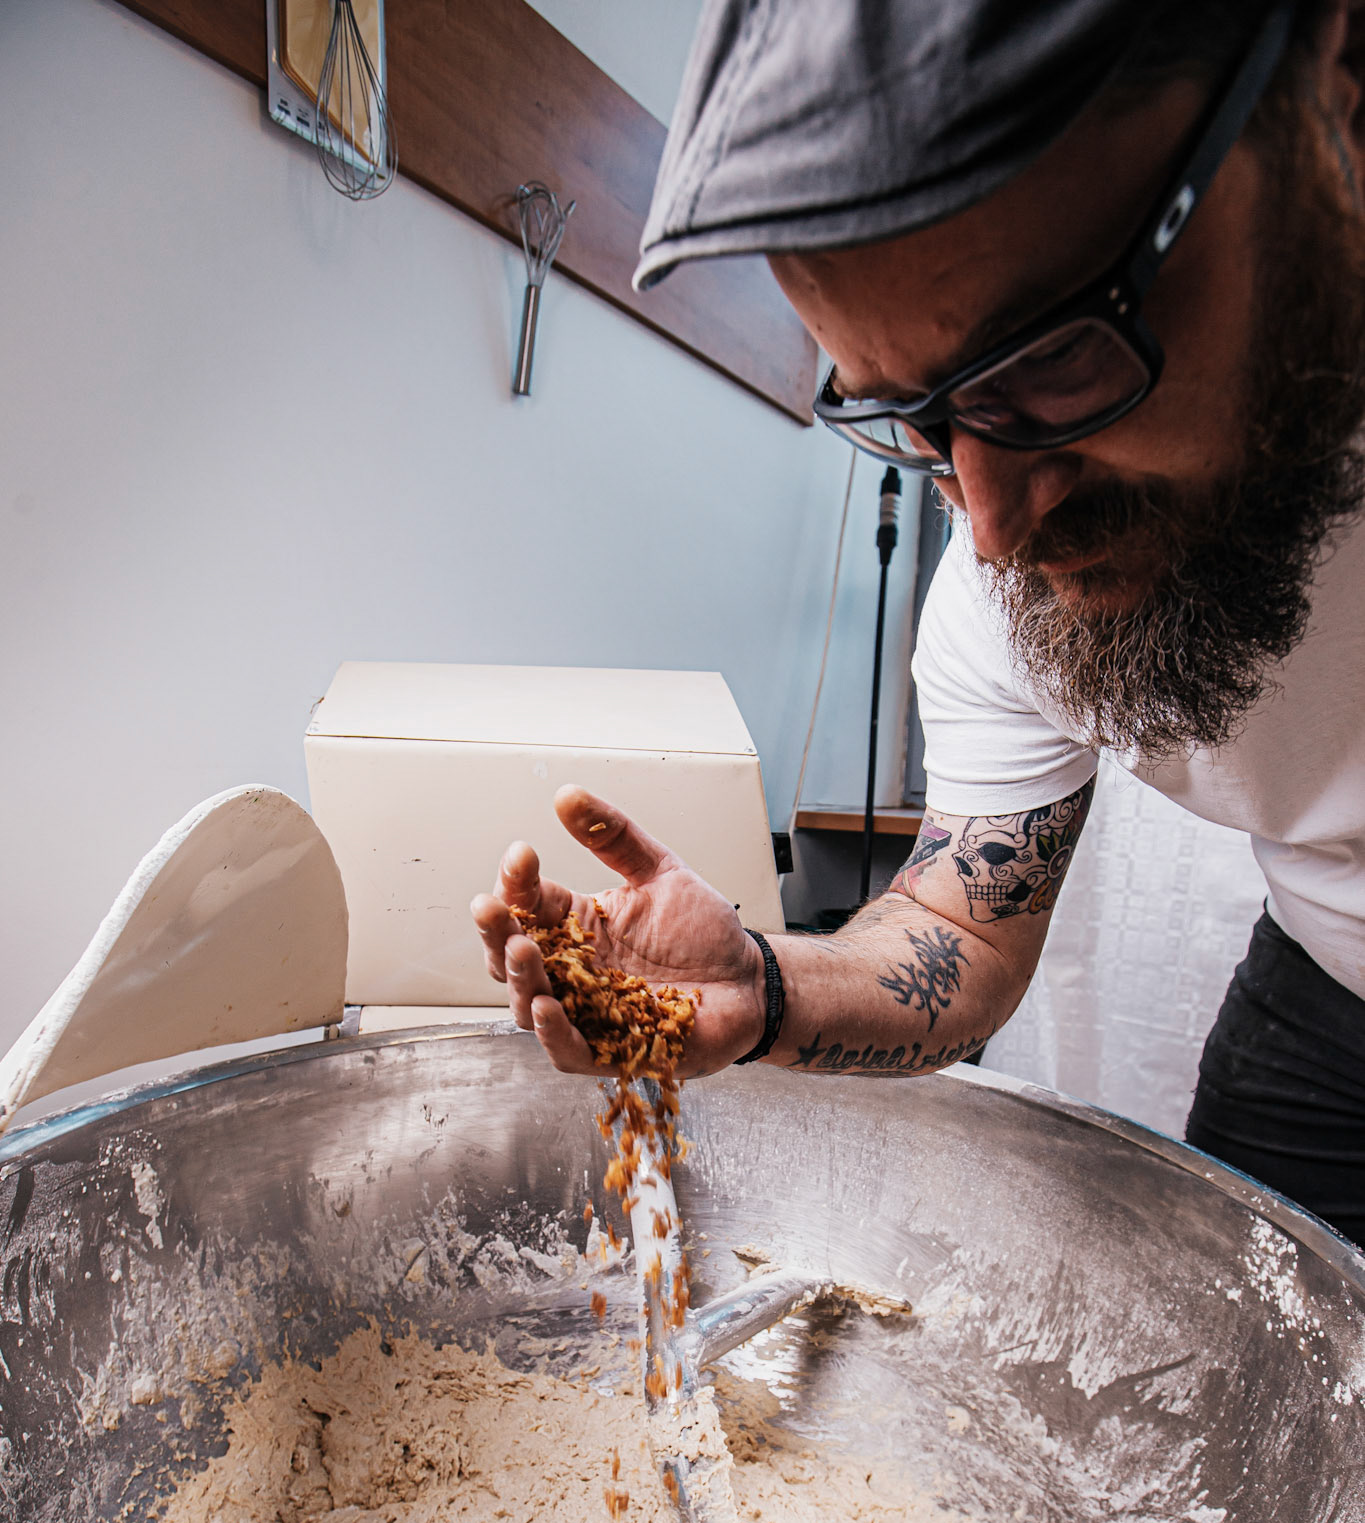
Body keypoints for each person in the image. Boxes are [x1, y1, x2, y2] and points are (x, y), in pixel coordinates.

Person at [473, 0, 1365, 1248]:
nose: (990, 527)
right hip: (1334, 983)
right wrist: (764, 985)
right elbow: (962, 927)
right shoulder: (1010, 588)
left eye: (1057, 361)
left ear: (1338, 87)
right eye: (915, 418)